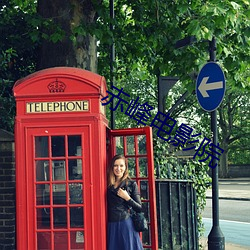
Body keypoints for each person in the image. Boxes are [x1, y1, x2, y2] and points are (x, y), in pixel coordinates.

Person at [107, 154, 144, 250]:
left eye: (121, 166)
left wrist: (127, 198)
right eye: (115, 165)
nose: (118, 168)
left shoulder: (131, 184)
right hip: (111, 225)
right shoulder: (108, 183)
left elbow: (139, 208)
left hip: (125, 224)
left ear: (125, 168)